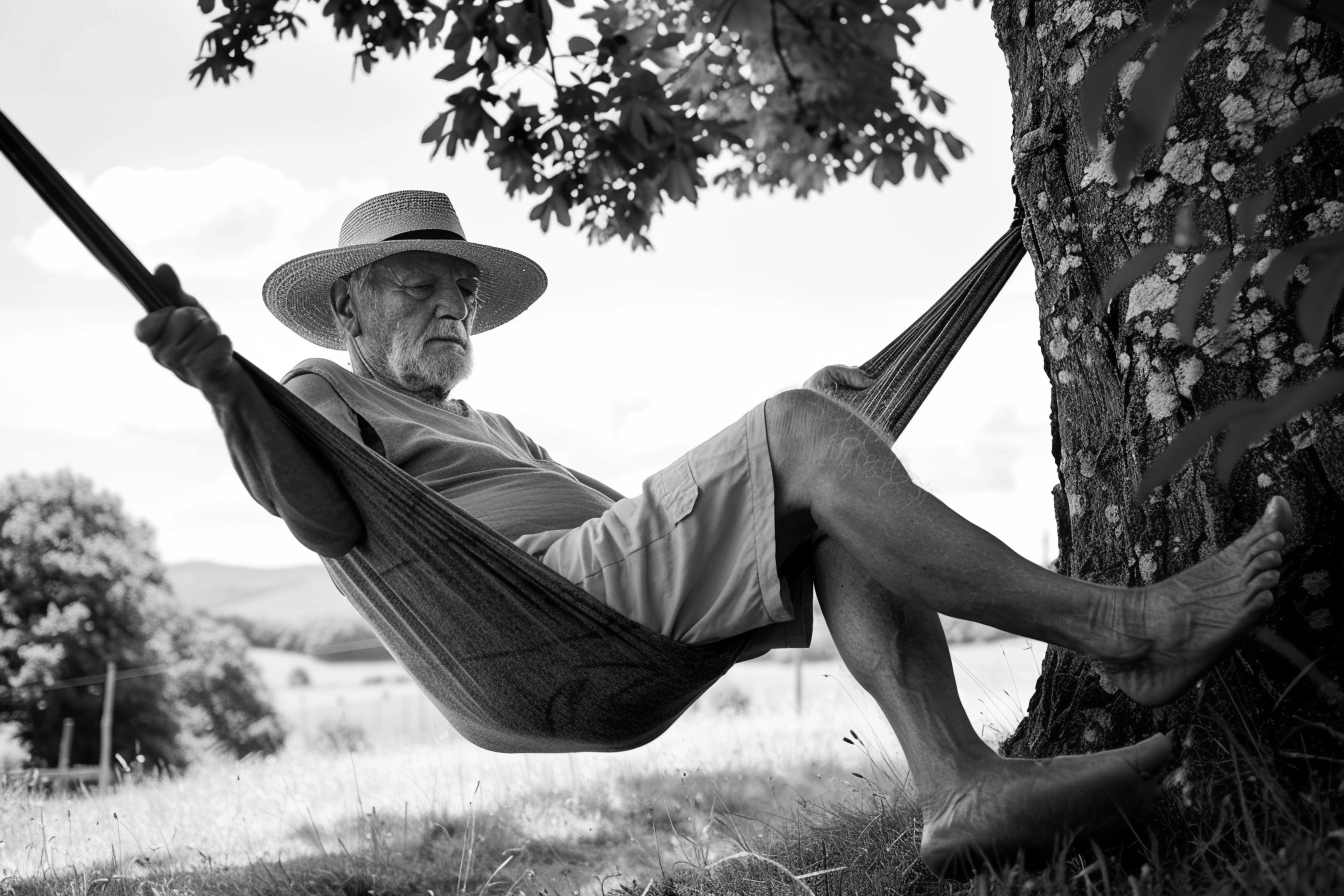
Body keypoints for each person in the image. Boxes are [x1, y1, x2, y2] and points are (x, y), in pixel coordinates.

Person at [135, 190, 1293, 877]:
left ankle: (956, 785)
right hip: (531, 625)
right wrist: (225, 387)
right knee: (798, 431)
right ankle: (1126, 626)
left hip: (594, 607)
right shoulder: (310, 392)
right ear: (347, 307)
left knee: (825, 467)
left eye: (464, 291)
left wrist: (828, 423)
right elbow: (323, 513)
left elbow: (650, 512)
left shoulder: (491, 422)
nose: (453, 308)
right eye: (419, 287)